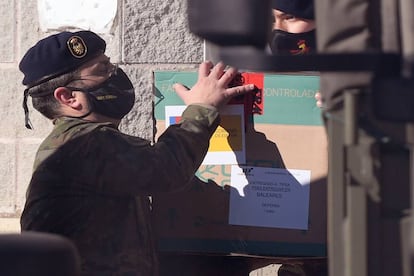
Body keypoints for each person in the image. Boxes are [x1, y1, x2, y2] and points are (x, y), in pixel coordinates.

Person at [18, 30, 255, 275]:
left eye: (111, 65)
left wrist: (244, 262)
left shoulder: (87, 146)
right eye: (102, 70)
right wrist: (202, 107)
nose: (115, 74)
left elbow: (130, 254)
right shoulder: (84, 143)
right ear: (69, 97)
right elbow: (167, 168)